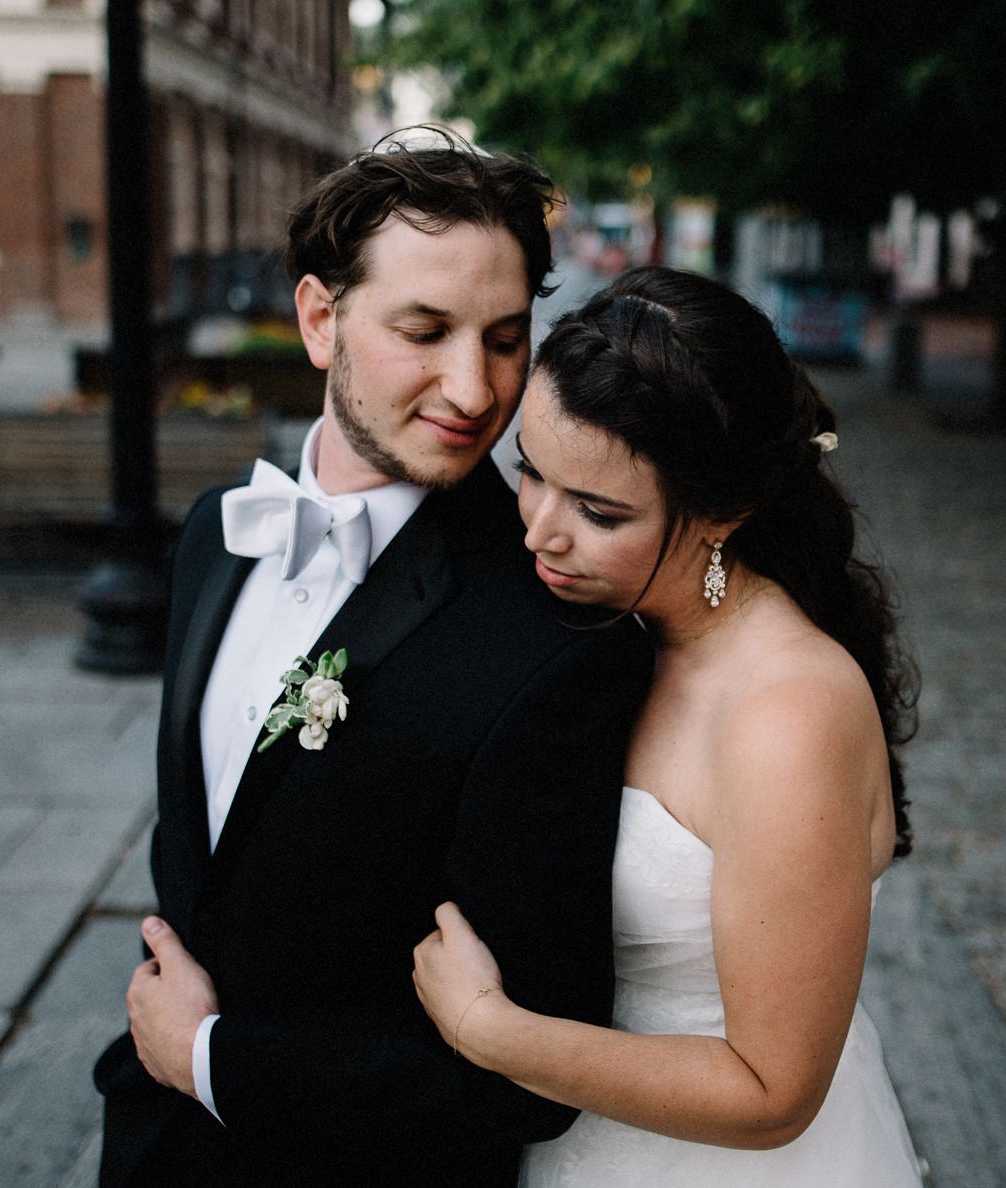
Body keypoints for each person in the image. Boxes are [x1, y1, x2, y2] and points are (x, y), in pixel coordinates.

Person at [92, 132, 654, 1186]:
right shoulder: (220, 534)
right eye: (425, 330)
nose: (474, 389)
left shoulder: (550, 640)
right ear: (319, 318)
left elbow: (528, 1072)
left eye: (501, 337)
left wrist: (213, 1060)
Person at [412, 266, 927, 1186]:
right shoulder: (616, 629)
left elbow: (772, 1089)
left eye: (599, 512)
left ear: (724, 514)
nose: (538, 531)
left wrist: (491, 1031)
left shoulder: (786, 716)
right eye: (531, 470)